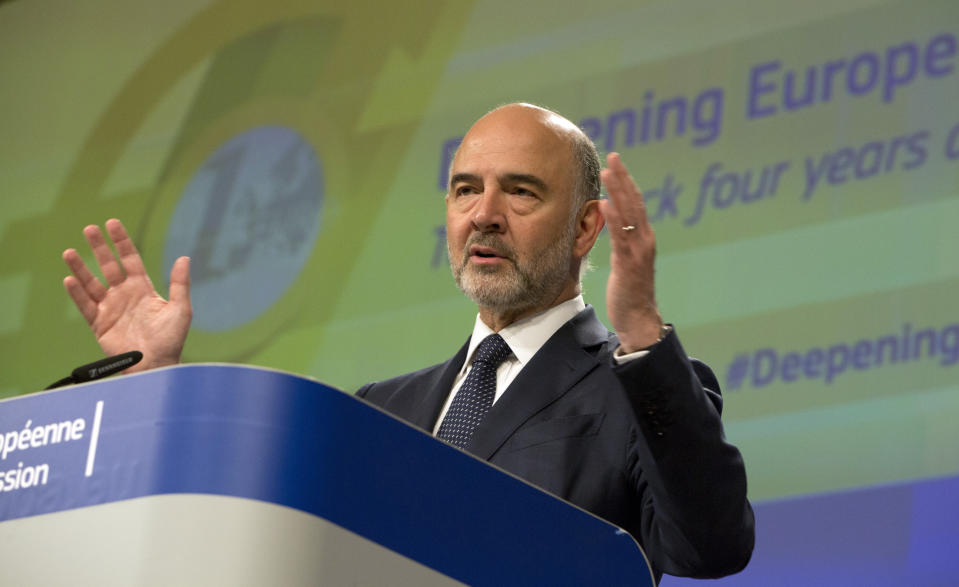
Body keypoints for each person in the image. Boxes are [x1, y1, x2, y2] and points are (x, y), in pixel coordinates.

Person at [62, 103, 754, 581]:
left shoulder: (638, 387)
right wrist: (146, 393)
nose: (483, 215)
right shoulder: (378, 410)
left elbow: (711, 546)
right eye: (463, 190)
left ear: (583, 228)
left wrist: (639, 329)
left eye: (519, 192)